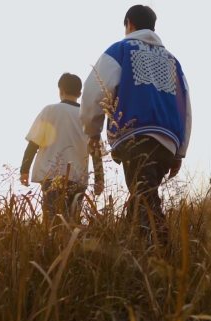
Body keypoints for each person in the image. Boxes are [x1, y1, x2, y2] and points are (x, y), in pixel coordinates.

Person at [80, 5, 192, 240]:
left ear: (129, 24)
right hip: (168, 140)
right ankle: (131, 248)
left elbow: (93, 91)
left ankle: (162, 253)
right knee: (143, 193)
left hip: (135, 134)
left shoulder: (120, 50)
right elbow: (185, 107)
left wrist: (92, 130)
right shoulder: (173, 61)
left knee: (144, 199)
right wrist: (180, 151)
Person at [20, 73, 103, 221]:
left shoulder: (49, 111)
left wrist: (24, 170)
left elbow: (33, 143)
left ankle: (53, 245)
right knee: (72, 221)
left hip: (51, 176)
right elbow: (95, 151)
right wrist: (99, 179)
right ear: (79, 93)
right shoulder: (87, 116)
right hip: (78, 178)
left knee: (52, 222)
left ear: (61, 90)